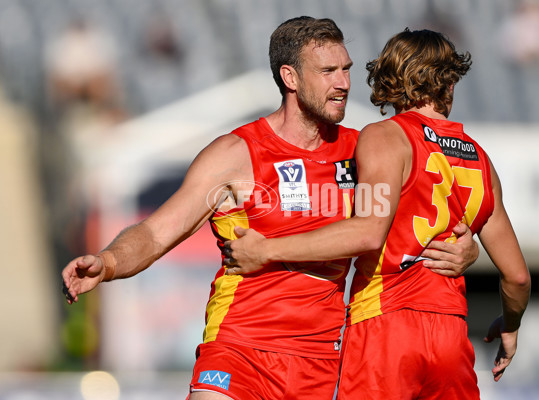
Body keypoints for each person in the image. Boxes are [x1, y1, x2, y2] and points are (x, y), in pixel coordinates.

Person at [62, 19, 478, 400]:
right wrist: (109, 261)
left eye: (346, 69)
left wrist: (467, 248)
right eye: (328, 72)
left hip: (327, 362)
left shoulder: (365, 149)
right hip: (240, 348)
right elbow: (156, 232)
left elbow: (429, 214)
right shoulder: (236, 154)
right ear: (290, 77)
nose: (344, 83)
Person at [225, 28, 531, 399]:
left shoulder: (385, 137)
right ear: (449, 83)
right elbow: (516, 277)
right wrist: (510, 325)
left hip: (385, 325)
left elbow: (368, 231)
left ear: (390, 80)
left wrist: (267, 250)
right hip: (451, 334)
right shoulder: (481, 160)